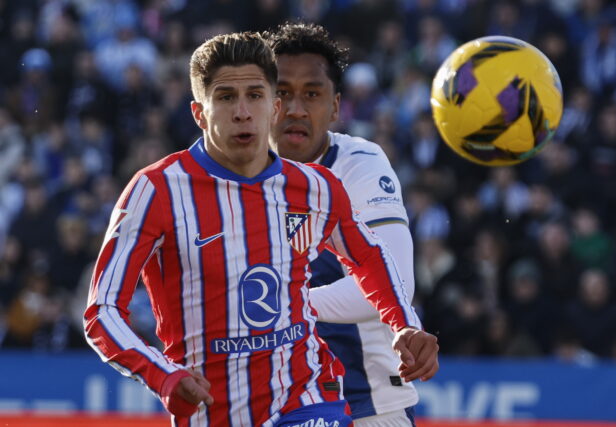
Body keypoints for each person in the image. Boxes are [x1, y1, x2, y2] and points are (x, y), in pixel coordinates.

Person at [84, 31, 438, 426]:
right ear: (199, 113)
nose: (241, 112)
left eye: (255, 95)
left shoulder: (315, 186)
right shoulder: (156, 191)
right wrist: (162, 374)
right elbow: (102, 312)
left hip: (310, 401)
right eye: (225, 98)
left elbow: (370, 257)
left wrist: (403, 323)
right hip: (213, 412)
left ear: (272, 106)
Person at [268, 23, 437, 426]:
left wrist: (272, 309)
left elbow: (397, 281)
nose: (295, 108)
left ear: (336, 107)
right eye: (281, 93)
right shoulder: (228, 176)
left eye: (312, 94)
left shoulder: (359, 164)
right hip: (270, 405)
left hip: (365, 404)